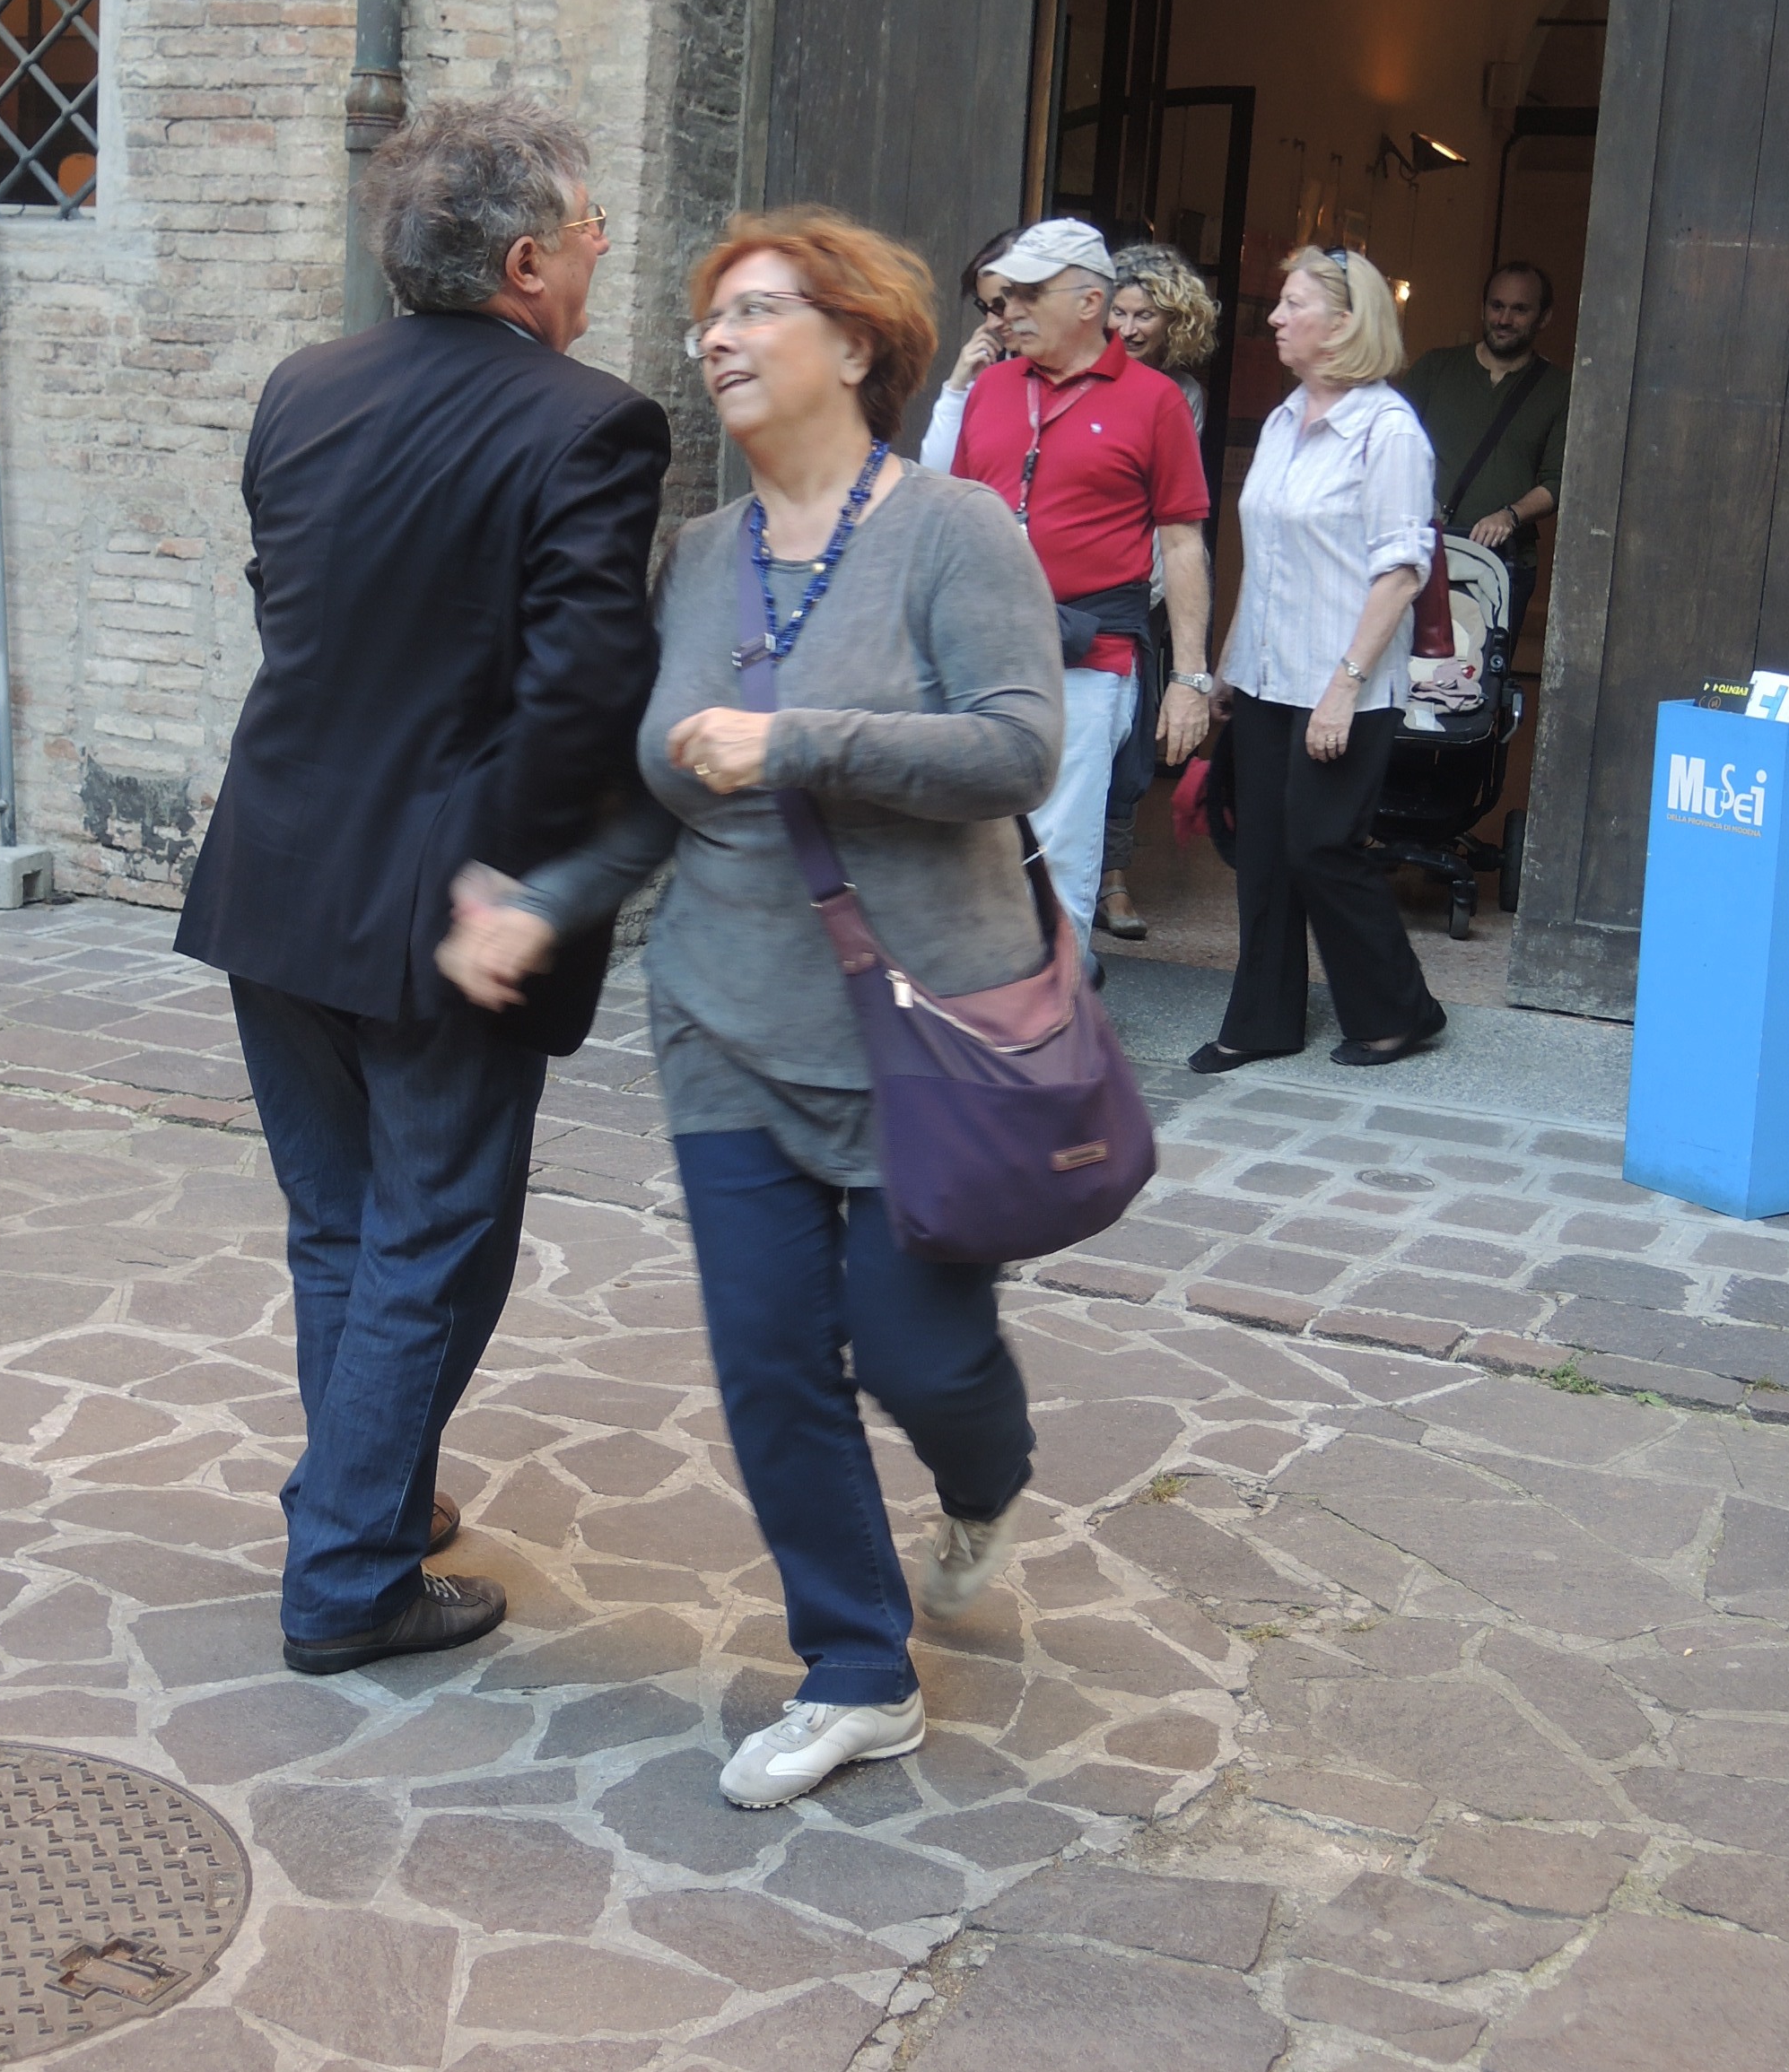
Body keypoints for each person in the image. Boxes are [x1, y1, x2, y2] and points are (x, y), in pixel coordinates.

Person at [437, 208, 1063, 1811]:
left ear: (855, 343)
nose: (719, 339)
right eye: (709, 318)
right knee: (773, 1358)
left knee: (923, 1358)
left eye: (761, 310)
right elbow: (663, 797)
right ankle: (858, 1672)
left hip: (925, 1038)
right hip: (721, 1019)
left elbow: (1017, 751)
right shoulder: (701, 557)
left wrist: (798, 744)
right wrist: (544, 903)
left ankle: (986, 1475)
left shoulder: (957, 532)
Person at [174, 97, 670, 1676]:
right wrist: (502, 882)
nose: (598, 258)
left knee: (341, 1229)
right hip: (443, 909)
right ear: (525, 262)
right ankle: (348, 1577)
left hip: (279, 871)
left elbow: (287, 601)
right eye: (589, 234)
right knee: (434, 1240)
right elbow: (583, 692)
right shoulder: (592, 424)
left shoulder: (303, 387)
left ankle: (361, 1494)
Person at [1192, 245, 1444, 1075]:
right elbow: (1264, 560)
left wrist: (1343, 688)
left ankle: (1401, 1010)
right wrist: (1229, 667)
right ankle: (1263, 1020)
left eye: (1292, 304)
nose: (1274, 317)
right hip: (1268, 676)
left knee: (1320, 848)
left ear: (1344, 324)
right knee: (1264, 853)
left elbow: (1400, 572)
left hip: (1345, 682)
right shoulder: (1281, 420)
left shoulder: (1387, 431)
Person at [945, 217, 1214, 952]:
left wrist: (1190, 679)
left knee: (1058, 850)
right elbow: (954, 520)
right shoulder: (991, 389)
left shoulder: (1156, 400)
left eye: (1031, 294)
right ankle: (977, 996)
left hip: (1090, 654)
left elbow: (1182, 543)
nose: (1011, 309)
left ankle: (1055, 1004)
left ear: (1090, 302)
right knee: (966, 838)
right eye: (1008, 295)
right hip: (981, 648)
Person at [1095, 243, 1220, 942]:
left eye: (1146, 315)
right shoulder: (1077, 376)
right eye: (1119, 312)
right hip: (1074, 585)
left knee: (1129, 746)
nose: (1130, 327)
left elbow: (1170, 508)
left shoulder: (1181, 395)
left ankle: (1114, 878)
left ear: (1177, 322)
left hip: (1138, 591)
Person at [1399, 262, 1570, 553]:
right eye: (1496, 306)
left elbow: (1558, 480)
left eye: (1519, 309)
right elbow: (1388, 443)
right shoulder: (1435, 368)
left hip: (1505, 555)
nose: (1504, 319)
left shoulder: (1559, 388)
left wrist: (1510, 515)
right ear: (1483, 308)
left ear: (1544, 317)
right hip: (1423, 547)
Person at [914, 226, 1021, 477]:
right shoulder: (991, 372)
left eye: (1001, 305)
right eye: (985, 308)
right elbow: (935, 475)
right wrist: (956, 388)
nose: (992, 323)